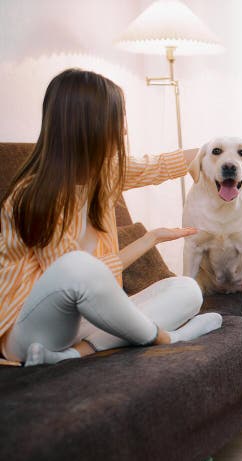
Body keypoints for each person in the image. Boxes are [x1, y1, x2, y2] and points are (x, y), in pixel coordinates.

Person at [0, 68, 222, 367]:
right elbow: (75, 282)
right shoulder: (33, 196)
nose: (124, 130)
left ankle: (75, 353)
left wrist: (218, 151)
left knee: (186, 290)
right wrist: (146, 241)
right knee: (77, 266)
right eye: (118, 120)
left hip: (84, 321)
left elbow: (156, 166)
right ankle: (168, 338)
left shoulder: (102, 175)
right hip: (29, 330)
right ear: (90, 125)